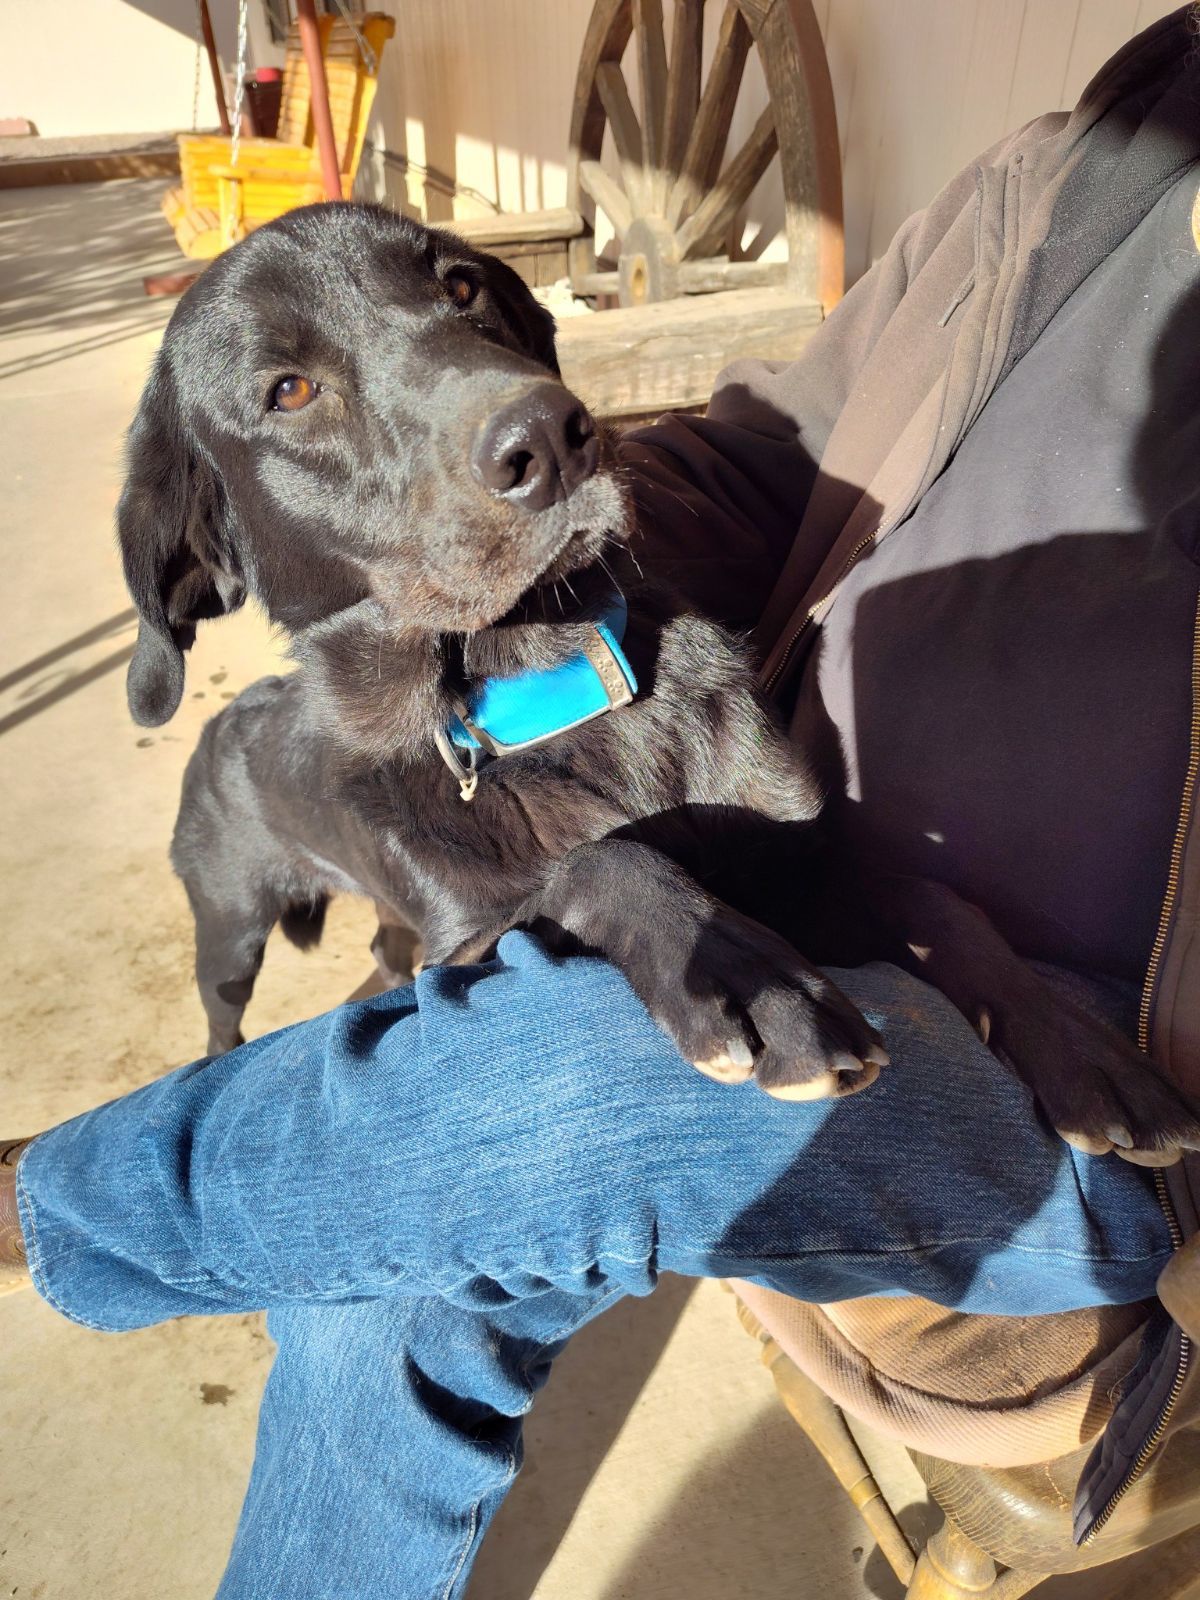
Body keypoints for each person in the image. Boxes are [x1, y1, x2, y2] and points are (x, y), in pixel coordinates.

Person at [4, 8, 1200, 1595]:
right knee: (412, 1202)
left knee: (524, 1092)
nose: (513, 388)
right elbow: (782, 456)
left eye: (457, 300)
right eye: (294, 394)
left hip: (1098, 1113)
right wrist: (562, 539)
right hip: (801, 865)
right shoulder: (1076, 174)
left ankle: (66, 1198)